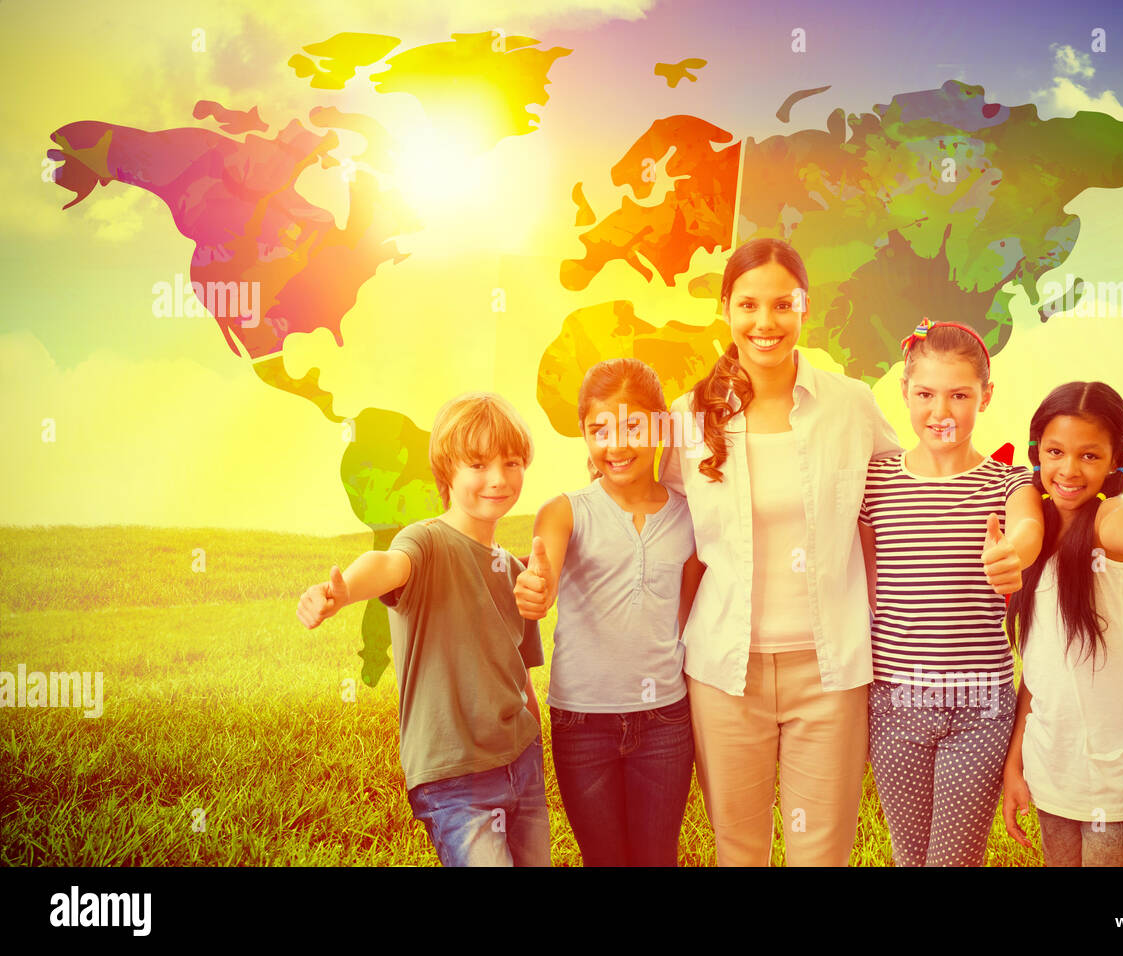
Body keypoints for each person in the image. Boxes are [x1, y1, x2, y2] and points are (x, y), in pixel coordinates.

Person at [660, 236, 902, 866]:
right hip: (723, 671)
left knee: (820, 854)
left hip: (829, 672)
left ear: (804, 308)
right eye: (748, 305)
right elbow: (664, 531)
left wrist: (1016, 502)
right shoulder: (688, 419)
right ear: (726, 309)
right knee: (738, 852)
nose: (764, 323)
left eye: (781, 305)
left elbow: (903, 501)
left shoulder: (852, 406)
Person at [296, 392, 549, 867]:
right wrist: (343, 591)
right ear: (446, 472)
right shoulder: (426, 541)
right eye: (478, 464)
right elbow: (386, 564)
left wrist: (533, 745)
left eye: (512, 462)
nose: (498, 479)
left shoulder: (515, 570)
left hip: (522, 765)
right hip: (456, 780)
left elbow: (521, 675)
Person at [858, 318, 1044, 867]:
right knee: (910, 858)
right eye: (926, 395)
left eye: (960, 395)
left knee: (953, 861)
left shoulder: (1009, 483)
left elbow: (1027, 529)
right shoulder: (876, 481)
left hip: (979, 708)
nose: (941, 412)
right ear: (905, 394)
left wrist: (1013, 554)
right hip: (895, 704)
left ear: (986, 396)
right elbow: (857, 577)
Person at [514, 358, 698, 866]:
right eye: (600, 429)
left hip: (664, 718)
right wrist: (537, 587)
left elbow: (689, 612)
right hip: (582, 721)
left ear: (661, 425)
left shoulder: (689, 516)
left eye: (633, 426)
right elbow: (542, 569)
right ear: (584, 434)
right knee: (603, 858)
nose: (616, 445)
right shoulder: (566, 510)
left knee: (657, 856)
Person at [1001, 381, 1123, 866]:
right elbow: (1037, 674)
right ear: (1037, 451)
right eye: (1055, 451)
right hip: (1053, 766)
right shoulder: (1034, 532)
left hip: (1117, 769)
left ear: (1115, 461)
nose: (1068, 469)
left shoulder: (1109, 518)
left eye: (1089, 455)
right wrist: (1015, 764)